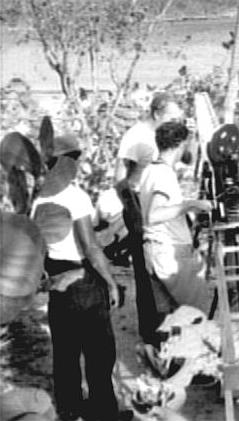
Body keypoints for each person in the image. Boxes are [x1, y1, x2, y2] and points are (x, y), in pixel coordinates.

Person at [31, 134, 132, 421]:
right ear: (69, 161)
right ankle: (103, 412)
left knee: (66, 351)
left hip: (58, 280)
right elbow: (89, 246)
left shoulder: (40, 199)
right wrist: (111, 282)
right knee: (99, 352)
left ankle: (70, 409)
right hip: (84, 281)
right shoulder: (75, 196)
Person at [114, 92, 183, 345]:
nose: (175, 121)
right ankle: (151, 331)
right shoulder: (136, 136)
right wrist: (133, 211)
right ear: (156, 113)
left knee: (163, 265)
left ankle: (165, 325)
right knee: (145, 270)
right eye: (171, 116)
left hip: (158, 204)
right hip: (138, 204)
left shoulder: (162, 136)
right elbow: (119, 178)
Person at [139, 121, 212, 318]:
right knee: (196, 315)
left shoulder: (150, 170)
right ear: (181, 143)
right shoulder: (164, 174)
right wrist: (190, 204)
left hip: (155, 250)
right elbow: (154, 215)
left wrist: (188, 207)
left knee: (170, 318)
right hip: (169, 251)